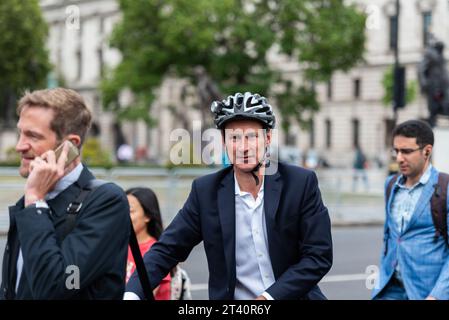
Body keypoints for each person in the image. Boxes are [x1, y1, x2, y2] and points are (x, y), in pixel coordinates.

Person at [125, 92, 332, 300]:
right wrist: (132, 294)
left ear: (267, 138)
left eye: (251, 136)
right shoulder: (206, 192)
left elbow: (318, 256)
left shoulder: (300, 183)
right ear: (224, 142)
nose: (243, 147)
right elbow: (167, 249)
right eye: (234, 137)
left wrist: (268, 298)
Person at [0, 88, 130, 299]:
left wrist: (35, 202)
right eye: (20, 133)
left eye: (32, 135)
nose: (19, 146)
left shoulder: (106, 202)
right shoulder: (30, 201)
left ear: (70, 145)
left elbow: (56, 287)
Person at [372, 120, 449, 300]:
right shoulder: (390, 185)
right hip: (389, 289)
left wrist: (437, 295)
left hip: (426, 292)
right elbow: (391, 237)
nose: (399, 158)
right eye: (396, 151)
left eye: (406, 151)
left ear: (427, 151)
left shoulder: (445, 188)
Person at [125, 187, 171, 300]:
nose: (124, 215)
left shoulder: (157, 253)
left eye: (130, 211)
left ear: (147, 216)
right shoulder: (118, 246)